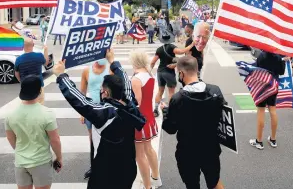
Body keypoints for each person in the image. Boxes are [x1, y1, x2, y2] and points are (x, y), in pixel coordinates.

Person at [53, 49, 146, 189]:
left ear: (106, 92)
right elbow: (126, 81)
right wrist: (113, 61)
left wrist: (62, 76)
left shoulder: (105, 113)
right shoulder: (130, 105)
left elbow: (79, 100)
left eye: (101, 90)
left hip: (106, 171)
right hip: (128, 168)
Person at [161, 56, 225, 189]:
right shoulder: (215, 91)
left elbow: (170, 128)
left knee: (192, 185)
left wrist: (166, 111)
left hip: (187, 151)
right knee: (214, 182)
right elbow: (222, 114)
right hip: (211, 148)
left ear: (181, 74)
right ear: (197, 70)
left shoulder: (177, 99)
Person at [5, 75, 62, 189]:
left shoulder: (10, 115)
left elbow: (11, 139)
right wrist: (59, 158)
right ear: (40, 90)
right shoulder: (47, 113)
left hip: (20, 161)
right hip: (41, 162)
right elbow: (55, 140)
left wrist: (21, 151)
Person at [130, 51, 162, 189]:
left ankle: (147, 186)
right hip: (148, 116)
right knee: (149, 149)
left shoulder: (136, 79)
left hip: (139, 119)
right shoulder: (150, 75)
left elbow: (136, 101)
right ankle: (156, 177)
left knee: (140, 155)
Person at [150, 30, 195, 116]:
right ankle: (171, 110)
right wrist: (192, 45)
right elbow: (182, 51)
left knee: (160, 91)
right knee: (171, 92)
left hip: (160, 72)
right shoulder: (171, 47)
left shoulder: (159, 49)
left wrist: (149, 71)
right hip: (169, 72)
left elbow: (152, 62)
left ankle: (155, 109)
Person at [80, 59, 110, 179]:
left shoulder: (110, 69)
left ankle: (108, 165)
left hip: (106, 110)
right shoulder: (87, 70)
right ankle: (95, 166)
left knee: (107, 138)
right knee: (92, 139)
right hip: (91, 110)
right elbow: (82, 92)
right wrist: (81, 112)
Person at [249, 51, 286, 150]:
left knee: (261, 111)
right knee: (273, 111)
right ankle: (273, 139)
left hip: (262, 86)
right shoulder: (278, 57)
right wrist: (283, 62)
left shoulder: (261, 55)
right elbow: (282, 72)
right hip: (274, 85)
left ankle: (259, 141)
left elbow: (256, 69)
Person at [15, 38, 49, 105]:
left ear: (22, 46)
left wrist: (21, 81)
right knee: (39, 105)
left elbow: (17, 74)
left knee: (26, 105)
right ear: (33, 45)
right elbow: (46, 63)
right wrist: (46, 50)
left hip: (25, 86)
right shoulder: (39, 56)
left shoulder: (18, 59)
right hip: (38, 85)